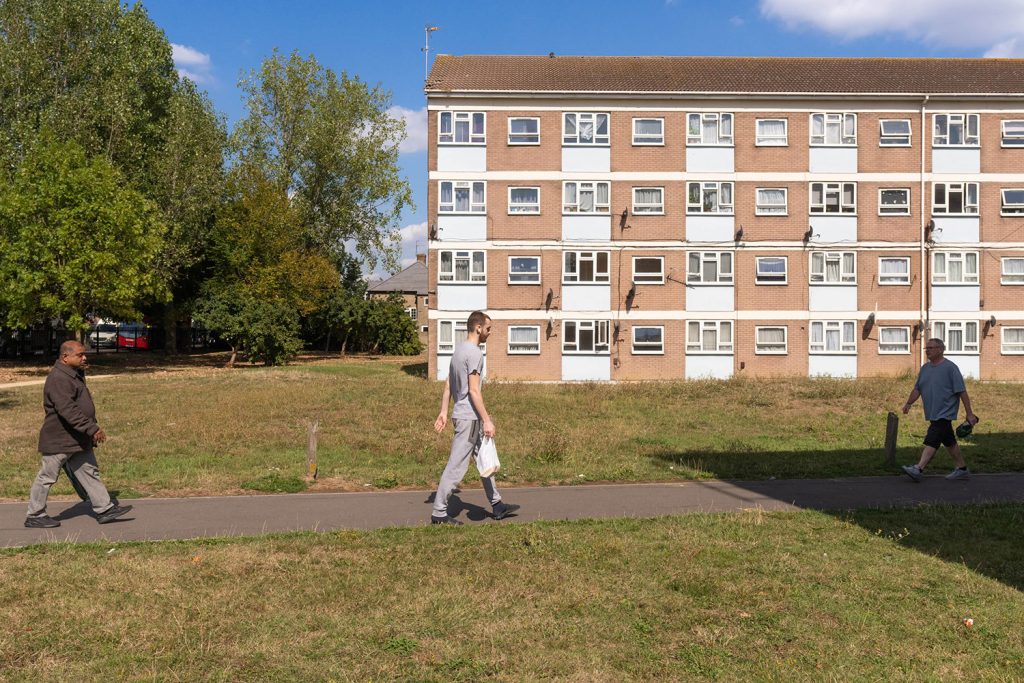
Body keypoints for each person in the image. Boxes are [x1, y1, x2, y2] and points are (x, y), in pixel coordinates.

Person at [25, 340, 133, 527]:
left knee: (89, 472)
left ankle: (104, 509)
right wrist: (92, 428)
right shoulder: (58, 378)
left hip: (77, 437)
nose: (84, 358)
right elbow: (68, 410)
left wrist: (89, 428)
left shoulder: (72, 374)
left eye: (84, 354)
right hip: (60, 439)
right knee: (47, 477)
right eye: (80, 355)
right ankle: (35, 515)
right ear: (65, 357)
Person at [431, 311, 519, 525]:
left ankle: (497, 505)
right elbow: (473, 391)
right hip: (469, 418)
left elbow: (448, 384)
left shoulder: (459, 350)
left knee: (484, 460)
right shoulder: (475, 354)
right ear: (478, 328)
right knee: (456, 466)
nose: (490, 333)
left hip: (465, 416)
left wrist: (443, 411)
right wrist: (487, 420)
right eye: (488, 329)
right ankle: (439, 512)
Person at [901, 337, 979, 482]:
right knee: (948, 439)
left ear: (940, 350)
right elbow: (917, 389)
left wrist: (969, 413)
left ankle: (918, 468)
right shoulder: (925, 368)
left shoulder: (950, 368)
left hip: (945, 411)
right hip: (932, 411)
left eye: (930, 348)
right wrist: (908, 403)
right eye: (926, 348)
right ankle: (962, 469)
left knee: (934, 436)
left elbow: (961, 391)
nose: (927, 351)